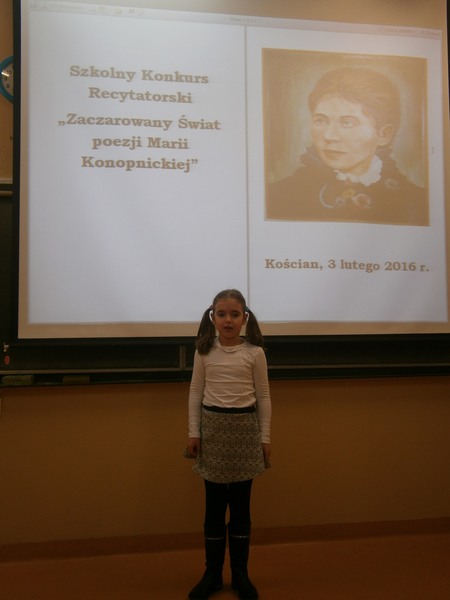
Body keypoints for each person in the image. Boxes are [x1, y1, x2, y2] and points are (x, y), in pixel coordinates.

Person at [186, 289, 271, 600]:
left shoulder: (255, 353)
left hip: (245, 433)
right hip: (213, 433)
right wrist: (194, 432)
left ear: (244, 318)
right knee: (213, 509)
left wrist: (264, 437)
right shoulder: (204, 351)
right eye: (222, 314)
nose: (228, 320)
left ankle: (240, 574)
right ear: (213, 317)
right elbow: (196, 393)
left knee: (240, 508)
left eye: (235, 314)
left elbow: (264, 396)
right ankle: (212, 574)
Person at [266, 66, 428, 225]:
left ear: (384, 134)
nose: (329, 136)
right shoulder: (278, 195)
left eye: (347, 123)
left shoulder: (417, 202)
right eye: (320, 120)